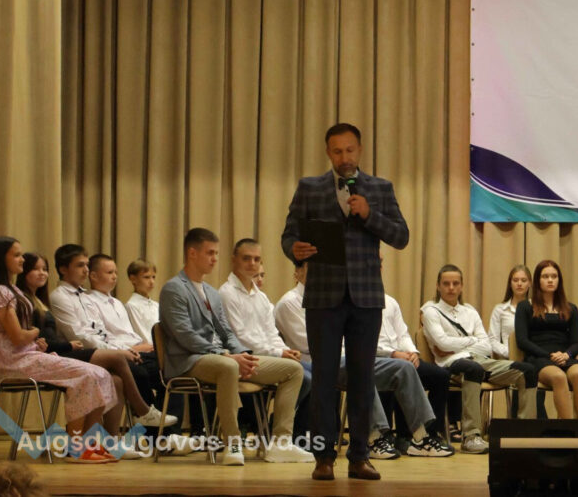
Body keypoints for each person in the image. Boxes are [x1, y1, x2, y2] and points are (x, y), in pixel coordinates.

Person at [280, 122, 410, 482]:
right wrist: (294, 249)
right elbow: (289, 234)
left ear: (360, 150)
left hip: (366, 298)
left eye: (350, 150)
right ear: (328, 153)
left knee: (362, 379)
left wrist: (369, 214)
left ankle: (359, 457)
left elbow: (401, 236)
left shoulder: (380, 189)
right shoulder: (310, 188)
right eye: (337, 151)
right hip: (323, 296)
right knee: (323, 379)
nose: (344, 157)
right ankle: (323, 458)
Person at [159, 227, 313, 467]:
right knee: (229, 367)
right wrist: (226, 355)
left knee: (293, 370)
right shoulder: (174, 288)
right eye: (210, 253)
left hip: (223, 357)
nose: (214, 258)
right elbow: (185, 336)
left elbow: (226, 332)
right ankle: (233, 442)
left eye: (216, 253)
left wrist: (242, 354)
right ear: (192, 253)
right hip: (189, 360)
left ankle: (281, 443)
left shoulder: (211, 292)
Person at [275, 262, 450, 460]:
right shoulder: (290, 302)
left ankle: (421, 438)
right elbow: (312, 344)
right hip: (317, 363)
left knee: (404, 368)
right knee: (360, 369)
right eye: (311, 268)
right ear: (297, 273)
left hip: (346, 356)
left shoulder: (332, 299)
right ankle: (373, 439)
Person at [0, 237, 118, 463]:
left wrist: (35, 342)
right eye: (16, 255)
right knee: (85, 376)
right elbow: (17, 336)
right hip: (13, 360)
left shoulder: (10, 289)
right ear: (1, 258)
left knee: (101, 374)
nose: (22, 259)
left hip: (27, 354)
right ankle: (76, 448)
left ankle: (89, 443)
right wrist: (35, 333)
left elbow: (19, 335)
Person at [16, 252, 174, 437]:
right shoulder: (55, 297)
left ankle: (112, 440)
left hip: (75, 350)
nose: (85, 270)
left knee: (159, 370)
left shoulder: (79, 297)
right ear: (63, 269)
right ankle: (145, 418)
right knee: (129, 367)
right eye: (80, 265)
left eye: (45, 269)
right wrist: (119, 350)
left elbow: (98, 330)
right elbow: (77, 336)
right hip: (62, 353)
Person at [421, 264, 536, 453]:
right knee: (472, 369)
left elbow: (486, 345)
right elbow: (442, 343)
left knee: (527, 371)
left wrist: (459, 343)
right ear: (438, 286)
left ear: (461, 286)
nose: (451, 288)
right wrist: (472, 340)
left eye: (455, 283)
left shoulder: (470, 311)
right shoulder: (430, 311)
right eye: (446, 284)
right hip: (451, 364)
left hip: (481, 360)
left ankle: (525, 433)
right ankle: (471, 437)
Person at [218, 239, 310, 439]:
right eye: (246, 258)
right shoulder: (227, 293)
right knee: (303, 376)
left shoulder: (260, 297)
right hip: (243, 359)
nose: (252, 263)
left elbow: (271, 332)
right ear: (234, 260)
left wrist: (285, 350)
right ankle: (280, 435)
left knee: (316, 375)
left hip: (266, 356)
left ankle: (291, 431)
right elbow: (240, 338)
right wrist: (279, 353)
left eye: (256, 259)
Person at [70, 253, 165, 417]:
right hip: (122, 353)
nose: (114, 276)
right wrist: (130, 349)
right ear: (93, 276)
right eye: (109, 273)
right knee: (145, 373)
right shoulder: (89, 302)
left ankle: (165, 425)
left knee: (173, 370)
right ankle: (151, 422)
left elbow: (129, 334)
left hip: (137, 350)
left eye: (115, 272)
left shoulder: (118, 303)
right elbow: (101, 336)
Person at [374, 284, 453, 454]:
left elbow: (403, 334)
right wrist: (393, 354)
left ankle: (430, 433)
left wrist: (412, 352)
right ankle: (403, 436)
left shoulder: (391, 302)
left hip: (400, 355)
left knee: (440, 376)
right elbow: (362, 342)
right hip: (378, 357)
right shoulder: (359, 304)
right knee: (401, 371)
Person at [514, 260, 578, 418]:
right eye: (545, 276)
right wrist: (549, 355)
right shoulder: (525, 307)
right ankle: (568, 428)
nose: (550, 280)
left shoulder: (571, 308)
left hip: (564, 356)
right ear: (538, 280)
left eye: (554, 276)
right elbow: (522, 341)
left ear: (559, 280)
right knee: (558, 377)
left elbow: (576, 342)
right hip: (538, 357)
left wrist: (566, 355)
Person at [489, 265, 530, 360]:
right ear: (510, 284)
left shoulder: (536, 309)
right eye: (515, 280)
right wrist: (510, 352)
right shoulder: (500, 309)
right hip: (508, 359)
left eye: (523, 280)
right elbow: (492, 340)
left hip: (532, 358)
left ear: (530, 283)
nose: (519, 284)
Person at [124, 260, 158, 346]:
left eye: (153, 277)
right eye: (146, 277)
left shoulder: (156, 305)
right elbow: (142, 335)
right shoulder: (132, 306)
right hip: (149, 350)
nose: (152, 282)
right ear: (133, 279)